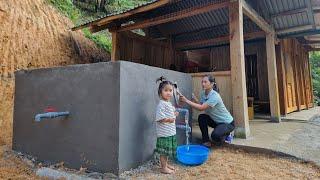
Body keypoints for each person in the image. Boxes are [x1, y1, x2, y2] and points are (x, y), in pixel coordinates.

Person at [179, 75, 234, 147]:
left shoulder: (215, 96)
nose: (203, 84)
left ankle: (227, 134)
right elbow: (201, 105)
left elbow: (201, 108)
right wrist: (194, 99)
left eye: (205, 82)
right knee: (202, 117)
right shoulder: (203, 93)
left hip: (227, 123)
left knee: (215, 136)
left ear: (212, 84)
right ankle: (206, 141)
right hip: (216, 122)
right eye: (202, 82)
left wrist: (186, 100)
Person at [155, 77, 179, 174]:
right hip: (164, 133)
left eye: (170, 90)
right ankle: (163, 168)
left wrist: (174, 114)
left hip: (169, 131)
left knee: (167, 150)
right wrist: (170, 119)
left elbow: (171, 113)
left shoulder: (168, 103)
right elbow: (160, 118)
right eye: (166, 90)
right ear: (160, 92)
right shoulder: (161, 104)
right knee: (164, 151)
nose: (169, 93)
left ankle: (166, 164)